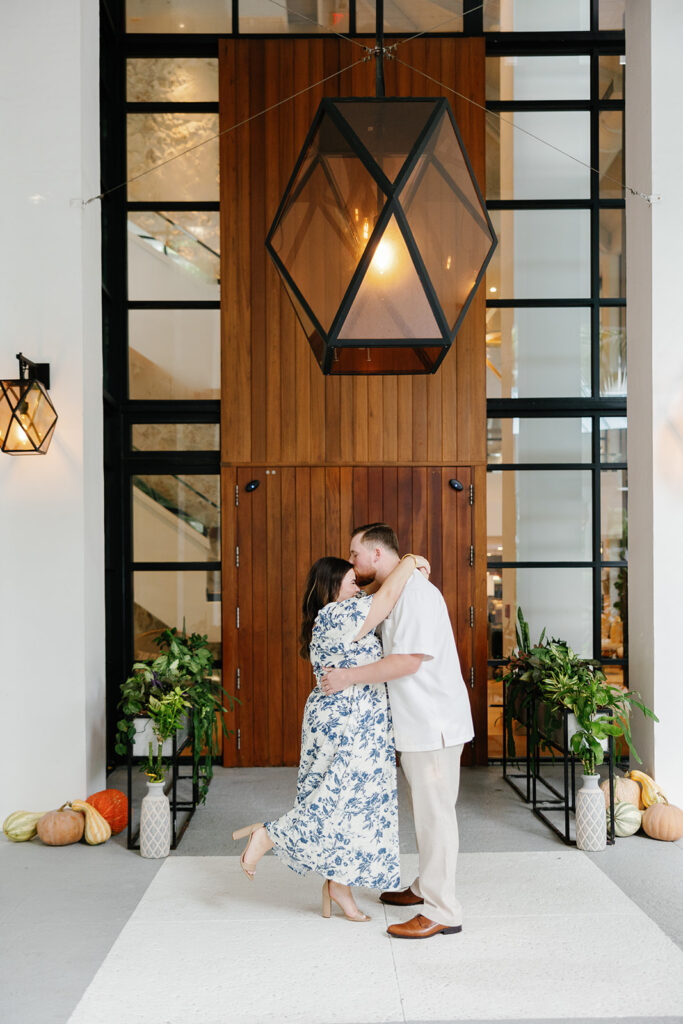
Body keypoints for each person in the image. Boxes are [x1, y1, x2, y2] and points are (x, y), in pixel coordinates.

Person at [232, 550, 429, 923]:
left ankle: (338, 887)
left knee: (347, 805)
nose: (358, 584)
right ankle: (268, 836)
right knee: (336, 800)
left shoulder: (335, 617)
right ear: (331, 584)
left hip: (345, 717)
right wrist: (410, 560)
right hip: (347, 720)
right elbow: (386, 600)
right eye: (352, 579)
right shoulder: (337, 615)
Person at [321, 522, 474, 940]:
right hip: (420, 723)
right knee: (429, 814)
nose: (351, 562)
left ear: (375, 554)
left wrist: (349, 677)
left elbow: (407, 661)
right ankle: (426, 887)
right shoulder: (399, 590)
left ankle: (443, 910)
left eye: (354, 554)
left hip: (434, 723)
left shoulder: (415, 595)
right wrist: (409, 562)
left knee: (436, 816)